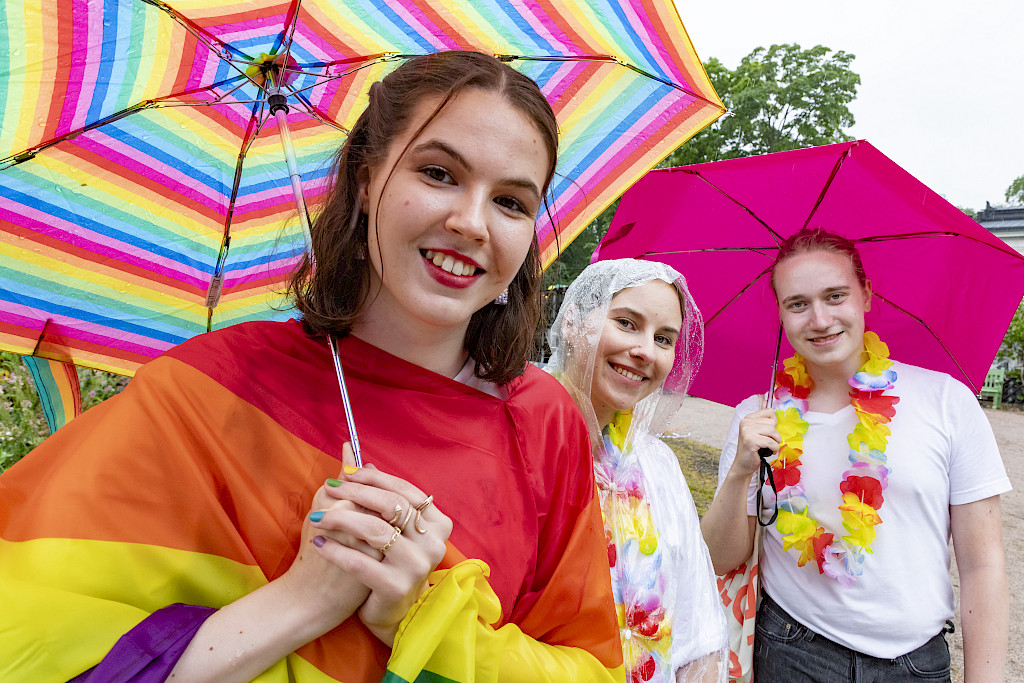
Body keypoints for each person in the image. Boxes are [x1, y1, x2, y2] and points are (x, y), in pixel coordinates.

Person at [0, 51, 625, 682]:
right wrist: (305, 600)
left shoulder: (544, 421)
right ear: (364, 178)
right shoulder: (209, 389)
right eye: (438, 173)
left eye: (513, 203)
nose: (470, 222)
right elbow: (33, 645)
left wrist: (424, 621)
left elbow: (589, 668)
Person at [701, 228, 1010, 682]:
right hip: (792, 652)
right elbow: (721, 557)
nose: (820, 319)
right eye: (798, 304)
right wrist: (741, 472)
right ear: (782, 315)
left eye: (835, 295)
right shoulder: (758, 416)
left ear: (865, 295)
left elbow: (984, 565)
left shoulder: (946, 401)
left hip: (915, 665)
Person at [546, 259, 729, 683]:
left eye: (664, 338)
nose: (646, 350)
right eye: (627, 323)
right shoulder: (526, 440)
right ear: (572, 322)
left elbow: (696, 622)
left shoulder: (657, 466)